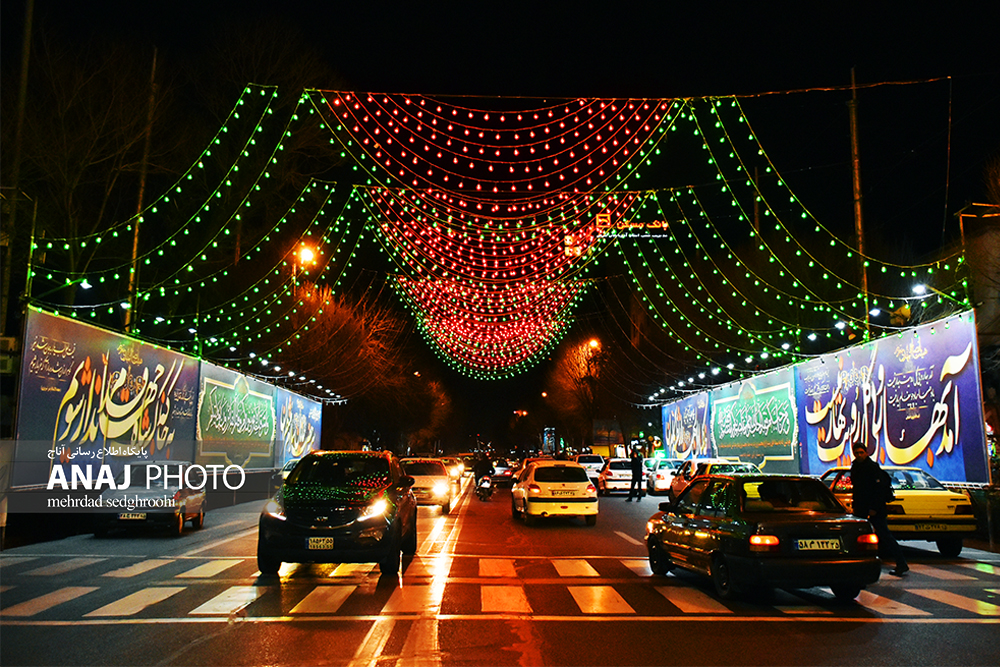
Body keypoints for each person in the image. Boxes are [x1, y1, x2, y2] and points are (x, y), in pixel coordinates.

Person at [851, 444, 908, 576]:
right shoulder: (856, 467)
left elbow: (878, 491)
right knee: (860, 538)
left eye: (861, 452)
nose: (859, 455)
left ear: (866, 453)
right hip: (861, 508)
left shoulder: (872, 468)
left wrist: (874, 508)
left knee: (885, 536)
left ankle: (901, 563)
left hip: (875, 510)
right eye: (856, 453)